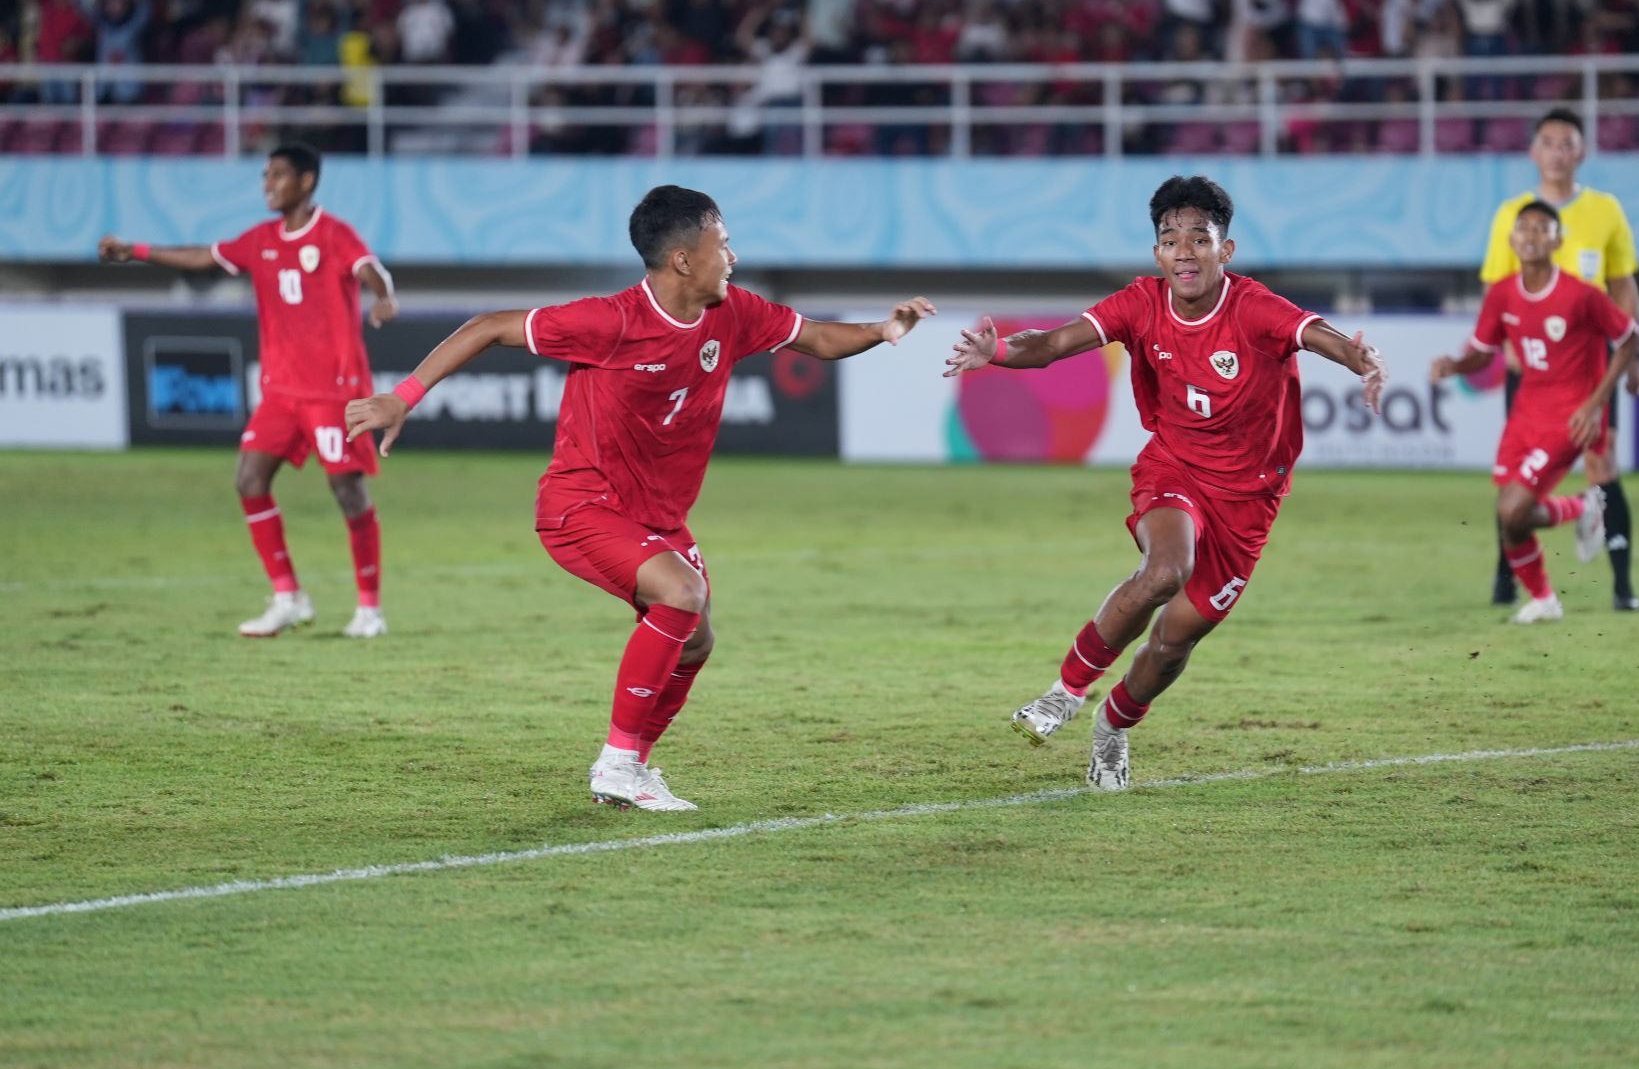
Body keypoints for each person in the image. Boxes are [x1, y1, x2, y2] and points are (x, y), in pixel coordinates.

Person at [345, 186, 935, 812]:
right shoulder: (612, 320)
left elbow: (815, 339)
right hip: (581, 506)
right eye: (723, 244)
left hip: (660, 518)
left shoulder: (733, 312)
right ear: (684, 259)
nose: (732, 257)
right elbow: (490, 326)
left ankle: (633, 768)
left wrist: (882, 329)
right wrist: (402, 397)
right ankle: (618, 762)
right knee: (682, 594)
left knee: (697, 639)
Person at [943, 176, 1387, 790]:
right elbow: (1050, 344)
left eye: (1198, 238)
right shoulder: (1140, 303)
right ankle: (1063, 693)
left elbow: (1316, 335)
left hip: (1250, 498)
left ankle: (1114, 725)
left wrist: (1358, 357)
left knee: (1176, 641)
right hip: (1173, 466)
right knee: (1164, 572)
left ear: (1223, 251)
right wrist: (997, 351)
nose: (1184, 250)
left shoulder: (1254, 307)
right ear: (1157, 254)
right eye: (1170, 239)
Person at [99, 144, 398, 639]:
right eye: (265, 175)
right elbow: (202, 257)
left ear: (306, 182)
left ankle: (370, 609)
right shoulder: (259, 240)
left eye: (277, 175)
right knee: (249, 478)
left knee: (347, 490)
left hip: (332, 393)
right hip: (281, 392)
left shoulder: (332, 233)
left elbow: (371, 269)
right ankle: (287, 597)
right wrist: (137, 251)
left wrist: (384, 298)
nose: (267, 184)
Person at [1434, 202, 1639, 625]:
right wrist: (1454, 366)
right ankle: (1545, 599)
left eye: (1541, 228)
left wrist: (1596, 402)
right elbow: (1482, 352)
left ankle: (1585, 508)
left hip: (1571, 418)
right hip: (1525, 414)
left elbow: (1630, 339)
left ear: (1557, 241)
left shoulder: (1582, 295)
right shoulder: (1503, 293)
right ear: (1511, 241)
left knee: (1513, 509)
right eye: (1523, 228)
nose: (1530, 235)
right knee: (1510, 518)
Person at [1479, 108, 1639, 610]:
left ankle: (1622, 586)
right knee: (1513, 476)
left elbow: (1623, 285)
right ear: (1534, 152)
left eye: (1567, 142)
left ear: (1582, 152)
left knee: (1602, 464)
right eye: (1548, 142)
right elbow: (1497, 289)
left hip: (1588, 369)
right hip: (1531, 375)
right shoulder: (1513, 214)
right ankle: (1507, 580)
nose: (1557, 151)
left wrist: (1632, 356)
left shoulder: (1605, 210)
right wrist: (1507, 348)